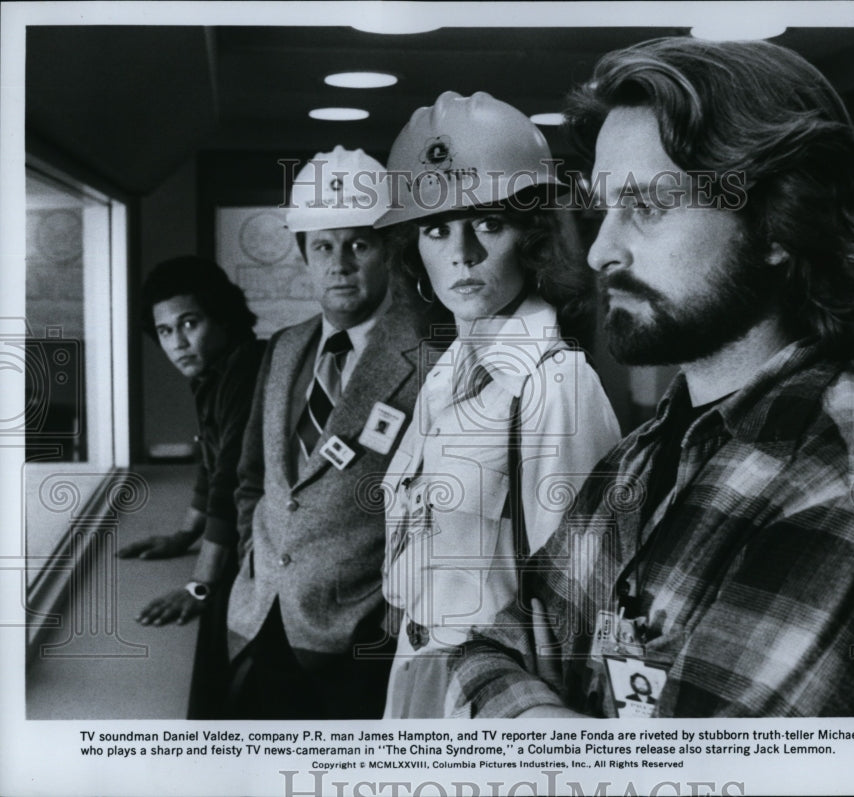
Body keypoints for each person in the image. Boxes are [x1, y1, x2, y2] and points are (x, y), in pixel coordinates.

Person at [449, 38, 854, 718]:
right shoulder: (646, 451)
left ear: (780, 223)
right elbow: (488, 646)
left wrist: (534, 718)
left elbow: (696, 777)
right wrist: (563, 725)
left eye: (648, 205)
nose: (605, 248)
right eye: (605, 207)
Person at [373, 91, 620, 717]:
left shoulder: (558, 382)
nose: (462, 252)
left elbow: (585, 601)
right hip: (417, 668)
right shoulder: (445, 374)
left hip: (507, 693)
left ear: (533, 238)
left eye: (488, 223)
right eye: (436, 229)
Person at [225, 146, 434, 719]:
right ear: (305, 257)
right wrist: (254, 556)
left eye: (357, 244)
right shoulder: (285, 348)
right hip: (260, 619)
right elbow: (253, 480)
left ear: (388, 252)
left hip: (360, 642)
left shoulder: (431, 361)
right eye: (323, 246)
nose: (339, 263)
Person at [120, 255, 264, 718]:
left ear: (221, 316)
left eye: (190, 323)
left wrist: (200, 583)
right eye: (165, 331)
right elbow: (211, 458)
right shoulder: (215, 374)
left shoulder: (246, 372)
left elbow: (231, 479)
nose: (178, 343)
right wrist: (185, 534)